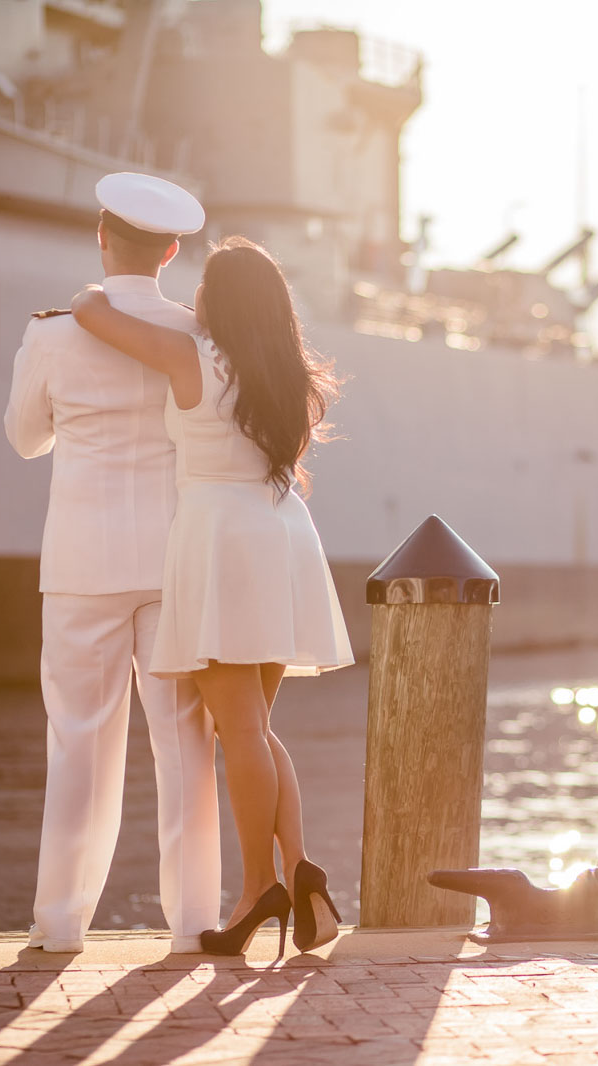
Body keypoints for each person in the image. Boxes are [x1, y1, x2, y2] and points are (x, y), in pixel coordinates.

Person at [68, 234, 352, 957]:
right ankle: (300, 872)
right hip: (282, 535)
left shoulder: (191, 355)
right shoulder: (284, 375)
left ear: (216, 302)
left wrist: (178, 315)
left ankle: (260, 887)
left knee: (242, 732)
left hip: (221, 541)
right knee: (254, 725)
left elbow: (90, 312)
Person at [4, 172, 221, 955]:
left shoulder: (53, 332)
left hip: (79, 563)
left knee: (80, 744)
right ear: (171, 251)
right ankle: (196, 926)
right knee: (185, 743)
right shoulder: (196, 333)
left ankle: (59, 927)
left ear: (100, 238)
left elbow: (26, 438)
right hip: (173, 560)